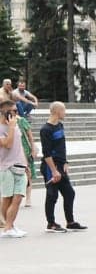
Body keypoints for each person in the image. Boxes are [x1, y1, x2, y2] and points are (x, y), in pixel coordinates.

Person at [40, 102, 85, 232]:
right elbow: (46, 153)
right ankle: (51, 223)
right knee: (52, 195)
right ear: (57, 111)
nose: (65, 113)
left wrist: (65, 162)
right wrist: (54, 171)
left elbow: (61, 147)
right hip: (50, 166)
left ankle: (70, 222)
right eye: (64, 110)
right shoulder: (45, 129)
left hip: (61, 164)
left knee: (69, 193)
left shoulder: (60, 125)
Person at [0, 98, 26, 237]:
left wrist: (25, 163)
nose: (17, 114)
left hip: (19, 165)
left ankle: (11, 226)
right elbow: (7, 144)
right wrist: (10, 127)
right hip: (6, 167)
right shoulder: (5, 127)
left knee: (18, 198)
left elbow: (19, 146)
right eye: (14, 111)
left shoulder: (15, 126)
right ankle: (8, 227)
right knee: (7, 198)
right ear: (4, 112)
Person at [14, 79, 38, 210]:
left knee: (28, 173)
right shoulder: (5, 122)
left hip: (25, 149)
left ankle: (28, 197)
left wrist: (33, 149)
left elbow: (30, 135)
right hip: (13, 152)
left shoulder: (22, 121)